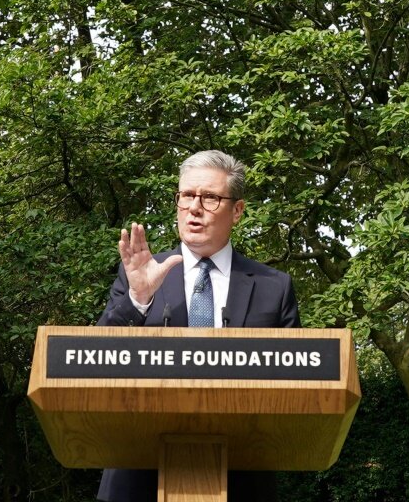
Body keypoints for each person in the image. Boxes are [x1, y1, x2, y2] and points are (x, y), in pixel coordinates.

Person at [96, 150, 300, 502]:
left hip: (242, 482)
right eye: (186, 195)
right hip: (136, 481)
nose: (194, 207)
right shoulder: (139, 275)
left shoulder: (274, 287)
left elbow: (297, 389)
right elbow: (94, 361)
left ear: (237, 210)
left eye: (210, 197)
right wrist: (138, 299)